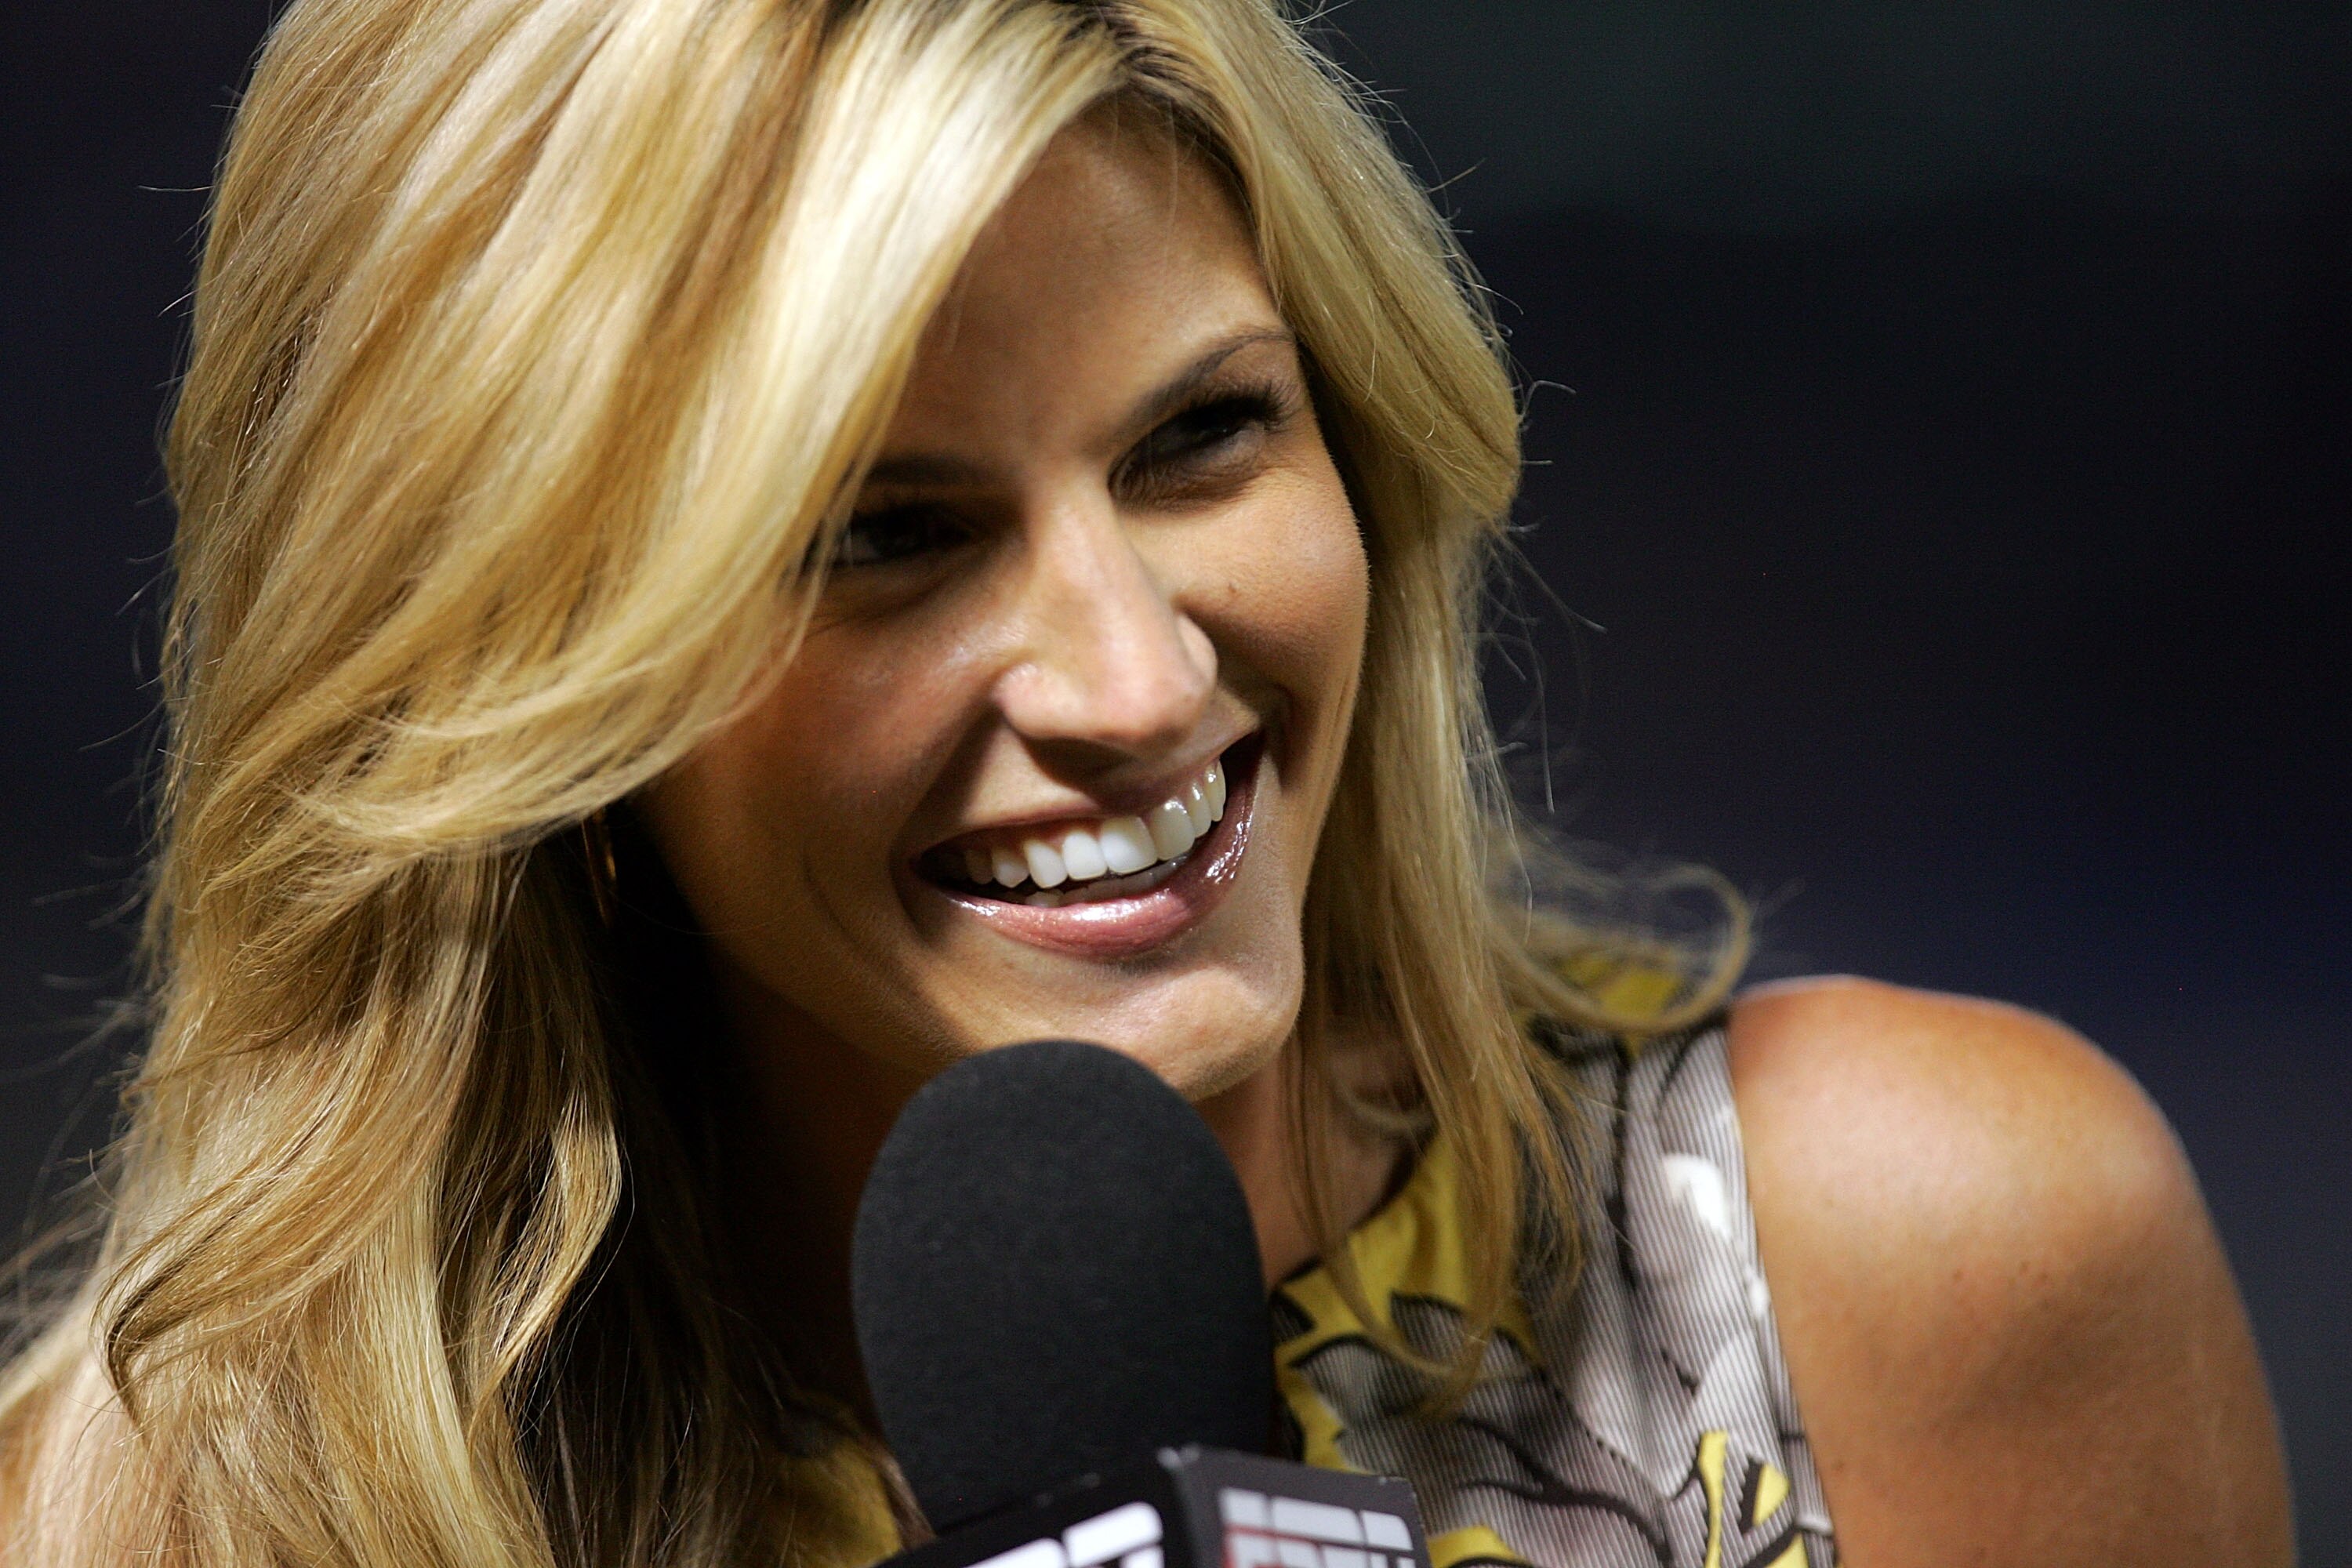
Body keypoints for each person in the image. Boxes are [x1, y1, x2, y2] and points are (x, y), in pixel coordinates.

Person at [0, 2, 2293, 1565]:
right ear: (520, 691)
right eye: (882, 539)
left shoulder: (1924, 1255)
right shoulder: (154, 1510)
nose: (1130, 675)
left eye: (1203, 438)